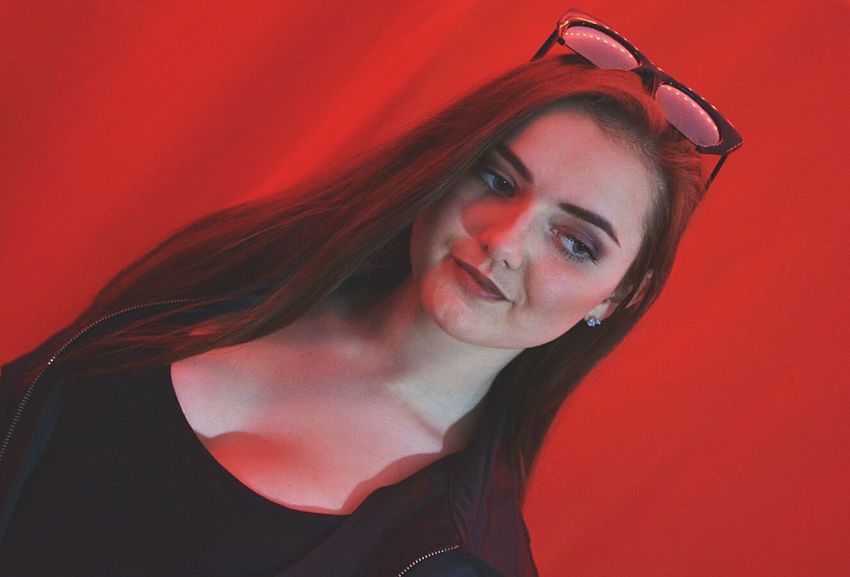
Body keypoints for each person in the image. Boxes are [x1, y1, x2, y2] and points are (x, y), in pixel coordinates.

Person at [0, 8, 741, 577]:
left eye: (576, 242)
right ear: (446, 165)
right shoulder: (240, 264)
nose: (505, 241)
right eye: (497, 178)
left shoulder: (455, 559)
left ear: (618, 296)